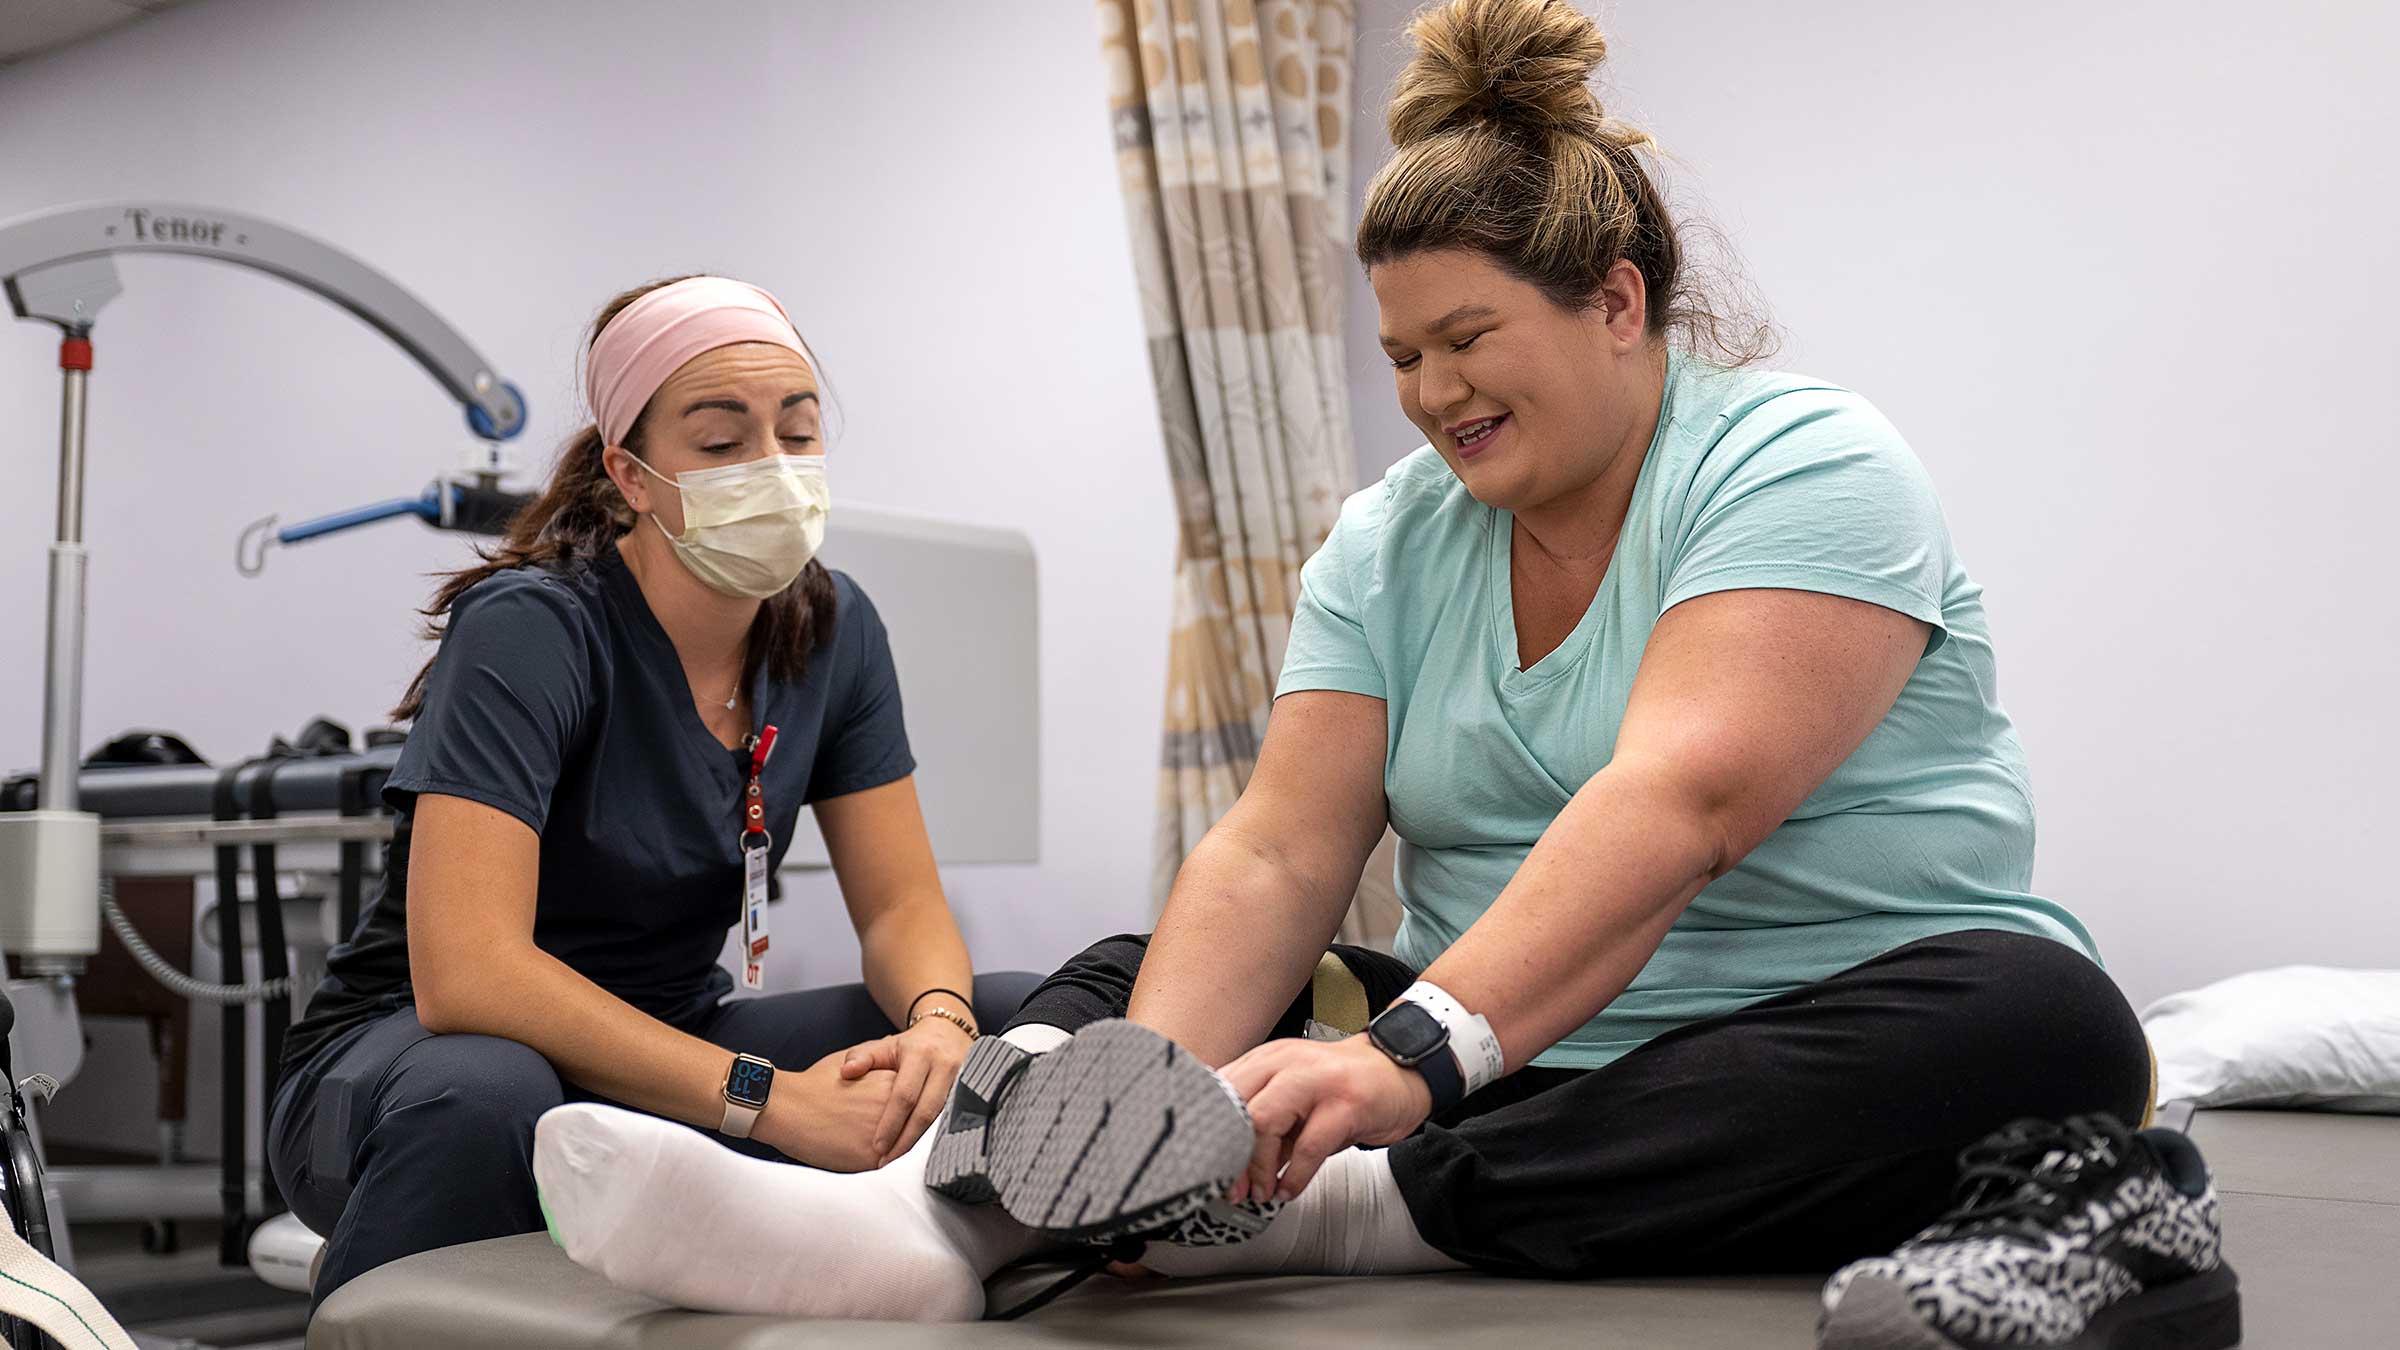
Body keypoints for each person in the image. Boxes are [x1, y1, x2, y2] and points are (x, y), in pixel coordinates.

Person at [528, 0, 2150, 1328]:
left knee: (2048, 1028)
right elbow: (1288, 843)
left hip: (1781, 1042)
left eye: (1466, 340)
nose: (1432, 392)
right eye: (1401, 356)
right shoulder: (1390, 537)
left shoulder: (1801, 464)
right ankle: (956, 1215)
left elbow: (1683, 801)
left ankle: (1350, 1219)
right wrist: (1151, 1101)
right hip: (1503, 1051)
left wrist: (1402, 1067)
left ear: (1618, 305)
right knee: (1114, 970)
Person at [268, 275, 1039, 1303]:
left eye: (798, 434)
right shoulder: (532, 629)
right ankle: (383, 1277)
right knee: (494, 1092)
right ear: (631, 476)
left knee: (1016, 1015)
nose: (771, 467)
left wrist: (941, 1028)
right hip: (420, 1060)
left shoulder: (835, 630)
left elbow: (901, 907)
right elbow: (470, 974)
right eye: (722, 445)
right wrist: (769, 1103)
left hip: (671, 1051)